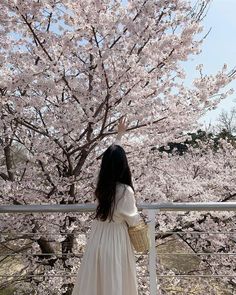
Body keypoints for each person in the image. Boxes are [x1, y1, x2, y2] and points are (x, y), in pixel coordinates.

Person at [71, 116, 141, 295]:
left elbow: (110, 159)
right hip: (116, 238)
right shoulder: (125, 191)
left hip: (98, 235)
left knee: (96, 280)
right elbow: (133, 220)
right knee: (115, 279)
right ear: (124, 165)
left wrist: (118, 137)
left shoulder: (100, 184)